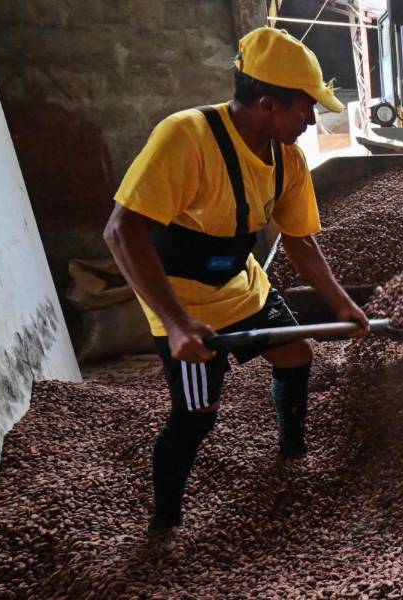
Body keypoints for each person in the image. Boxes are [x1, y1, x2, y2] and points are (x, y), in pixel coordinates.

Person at [103, 27, 370, 542]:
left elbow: (301, 243)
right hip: (184, 304)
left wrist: (344, 306)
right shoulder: (185, 137)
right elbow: (122, 231)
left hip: (242, 285)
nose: (312, 120)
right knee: (197, 417)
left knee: (296, 357)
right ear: (268, 104)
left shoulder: (288, 158)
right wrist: (178, 325)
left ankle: (291, 451)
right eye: (303, 109)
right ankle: (164, 525)